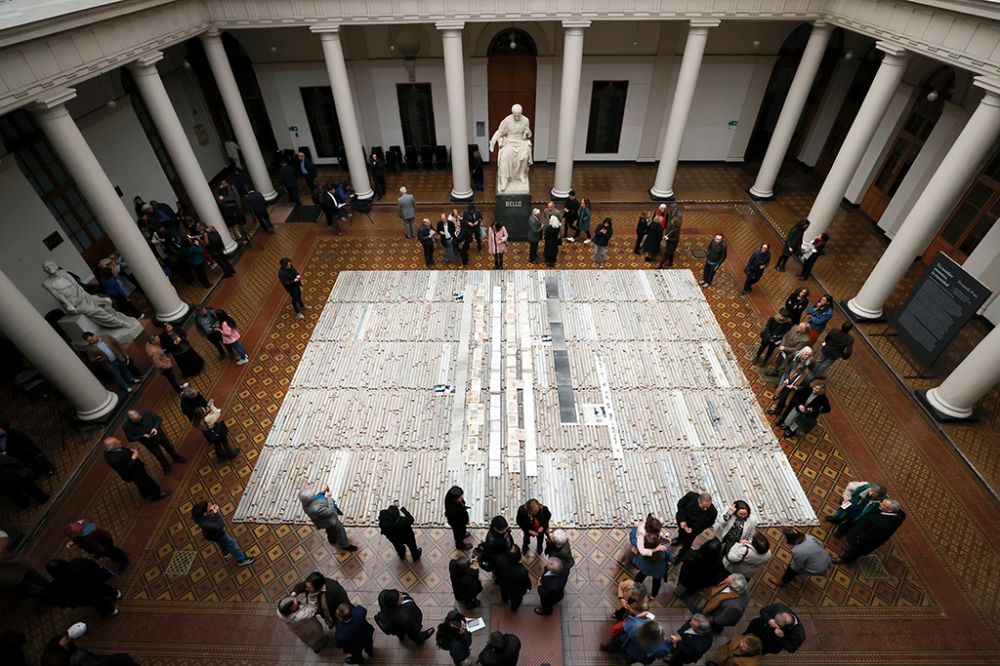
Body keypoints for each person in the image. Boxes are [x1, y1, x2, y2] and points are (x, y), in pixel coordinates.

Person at [834, 498, 907, 564]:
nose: (880, 504)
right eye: (882, 502)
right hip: (864, 527)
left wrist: (857, 540)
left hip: (862, 540)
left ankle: (844, 560)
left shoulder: (884, 525)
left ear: (889, 510)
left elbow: (869, 536)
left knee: (853, 551)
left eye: (883, 505)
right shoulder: (894, 512)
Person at [46, 558, 120, 617]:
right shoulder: (77, 563)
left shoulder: (57, 585)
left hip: (83, 595)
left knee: (97, 603)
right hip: (95, 582)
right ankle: (116, 594)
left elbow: (61, 599)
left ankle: (110, 611)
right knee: (104, 588)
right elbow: (93, 565)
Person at [102, 437, 169, 501]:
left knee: (141, 483)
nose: (120, 441)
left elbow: (123, 452)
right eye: (117, 442)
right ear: (112, 447)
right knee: (148, 481)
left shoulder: (113, 449)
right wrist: (133, 458)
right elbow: (125, 469)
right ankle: (156, 495)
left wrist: (131, 453)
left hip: (136, 468)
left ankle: (145, 493)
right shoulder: (113, 459)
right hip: (133, 473)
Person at [122, 409, 186, 475]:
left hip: (159, 436)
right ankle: (165, 466)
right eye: (137, 420)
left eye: (139, 417)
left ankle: (176, 457)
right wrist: (142, 436)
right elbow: (130, 438)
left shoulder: (146, 413)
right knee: (158, 455)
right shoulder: (126, 426)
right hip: (148, 443)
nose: (139, 419)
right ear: (131, 421)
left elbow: (159, 419)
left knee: (169, 447)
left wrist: (155, 428)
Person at [192, 500, 255, 566]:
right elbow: (220, 526)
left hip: (211, 535)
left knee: (221, 543)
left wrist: (210, 511)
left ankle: (225, 552)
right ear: (204, 513)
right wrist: (216, 514)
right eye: (208, 507)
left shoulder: (200, 518)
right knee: (232, 544)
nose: (210, 507)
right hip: (218, 534)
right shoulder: (206, 523)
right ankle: (242, 560)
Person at [489, 104, 533, 192]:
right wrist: (492, 142)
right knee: (504, 156)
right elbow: (499, 132)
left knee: (525, 156)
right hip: (509, 142)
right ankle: (504, 180)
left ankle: (521, 175)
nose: (517, 117)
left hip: (521, 142)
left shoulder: (525, 120)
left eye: (518, 115)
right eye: (515, 115)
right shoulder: (507, 120)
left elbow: (528, 134)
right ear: (513, 114)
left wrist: (528, 132)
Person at [0, 530, 52, 603]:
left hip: (13, 571)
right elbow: (3, 536)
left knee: (34, 586)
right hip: (14, 569)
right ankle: (52, 592)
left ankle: (52, 596)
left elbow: (3, 537)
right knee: (35, 582)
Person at [630, 515, 672, 598]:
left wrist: (663, 537)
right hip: (658, 572)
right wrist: (667, 543)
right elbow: (671, 558)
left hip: (644, 567)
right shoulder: (664, 550)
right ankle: (653, 595)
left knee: (640, 576)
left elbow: (641, 552)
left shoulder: (646, 543)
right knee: (657, 582)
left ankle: (635, 590)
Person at [65, 519, 129, 572]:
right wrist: (73, 542)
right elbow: (79, 537)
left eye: (72, 535)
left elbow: (99, 549)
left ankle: (124, 561)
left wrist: (97, 556)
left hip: (105, 546)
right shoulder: (83, 525)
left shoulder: (89, 539)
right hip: (105, 539)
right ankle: (118, 557)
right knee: (113, 551)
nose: (72, 537)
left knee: (112, 552)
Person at [768, 347, 813, 417]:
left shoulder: (809, 364)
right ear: (802, 353)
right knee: (782, 396)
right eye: (805, 354)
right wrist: (787, 378)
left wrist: (796, 387)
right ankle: (778, 411)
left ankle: (779, 414)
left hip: (797, 386)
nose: (806, 357)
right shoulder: (796, 357)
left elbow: (807, 383)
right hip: (789, 379)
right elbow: (789, 366)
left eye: (808, 355)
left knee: (786, 401)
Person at [674, 490, 718, 557]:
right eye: (703, 507)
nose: (705, 509)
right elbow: (680, 505)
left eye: (707, 507)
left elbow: (709, 523)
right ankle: (679, 539)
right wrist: (682, 520)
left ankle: (680, 555)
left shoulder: (713, 511)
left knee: (687, 542)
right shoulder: (690, 496)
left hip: (694, 529)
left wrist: (694, 530)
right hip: (683, 521)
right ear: (698, 500)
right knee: (681, 531)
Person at [495, 545, 531, 611]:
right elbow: (526, 582)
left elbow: (496, 572)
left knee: (504, 593)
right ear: (519, 557)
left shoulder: (499, 560)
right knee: (516, 601)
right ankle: (514, 608)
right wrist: (528, 588)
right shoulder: (522, 570)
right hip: (516, 591)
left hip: (504, 585)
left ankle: (505, 600)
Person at [445, 485, 472, 550]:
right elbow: (457, 518)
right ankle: (460, 545)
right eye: (460, 497)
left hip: (461, 520)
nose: (462, 497)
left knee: (463, 530)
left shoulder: (452, 496)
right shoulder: (452, 509)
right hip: (457, 523)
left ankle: (463, 533)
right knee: (459, 534)